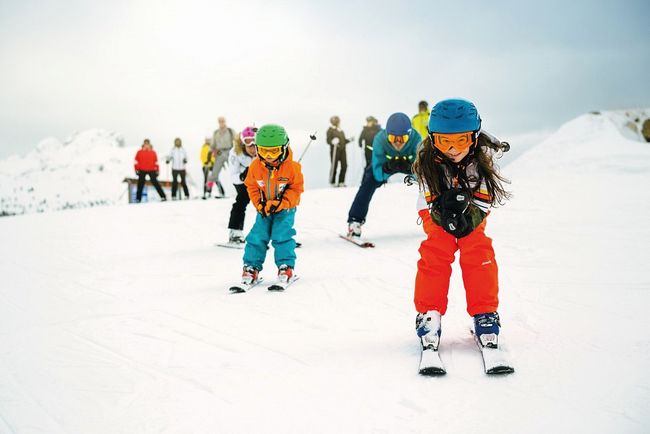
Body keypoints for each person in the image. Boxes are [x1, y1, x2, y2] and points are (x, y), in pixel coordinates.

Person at [411, 98, 511, 354]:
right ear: (434, 139)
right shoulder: (426, 159)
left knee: (478, 250)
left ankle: (485, 313)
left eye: (461, 140)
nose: (453, 149)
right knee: (436, 249)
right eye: (445, 141)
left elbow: (486, 198)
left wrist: (468, 221)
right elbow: (429, 199)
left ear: (474, 138)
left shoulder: (483, 158)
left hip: (473, 209)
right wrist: (445, 219)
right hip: (435, 210)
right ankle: (429, 313)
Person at [239, 124, 304, 286]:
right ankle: (251, 267)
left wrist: (282, 203)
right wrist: (259, 204)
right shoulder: (255, 166)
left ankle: (285, 267)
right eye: (263, 150)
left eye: (273, 151)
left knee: (281, 235)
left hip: (285, 210)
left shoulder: (292, 168)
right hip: (265, 209)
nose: (268, 156)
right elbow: (251, 186)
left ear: (283, 148)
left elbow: (296, 189)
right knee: (256, 236)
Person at [346, 112, 421, 238]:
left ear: (410, 135)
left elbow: (422, 171)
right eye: (393, 138)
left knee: (432, 180)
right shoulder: (379, 139)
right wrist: (386, 169)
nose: (397, 143)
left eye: (402, 138)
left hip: (409, 165)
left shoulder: (417, 139)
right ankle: (355, 221)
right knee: (367, 183)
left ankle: (441, 218)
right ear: (387, 135)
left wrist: (412, 169)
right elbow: (377, 173)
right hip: (385, 165)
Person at [226, 126, 257, 244]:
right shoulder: (235, 153)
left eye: (255, 145)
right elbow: (233, 175)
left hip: (259, 178)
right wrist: (243, 176)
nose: (253, 149)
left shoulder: (262, 149)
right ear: (243, 144)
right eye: (249, 145)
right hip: (241, 180)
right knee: (242, 200)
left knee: (269, 202)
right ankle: (235, 232)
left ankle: (279, 233)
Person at [208, 116, 236, 197]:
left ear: (225, 121)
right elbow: (212, 145)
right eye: (220, 121)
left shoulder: (230, 131)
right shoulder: (216, 133)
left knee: (235, 171)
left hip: (230, 152)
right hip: (219, 153)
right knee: (214, 173)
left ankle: (242, 190)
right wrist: (212, 152)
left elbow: (237, 140)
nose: (221, 122)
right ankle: (208, 191)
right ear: (218, 122)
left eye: (223, 121)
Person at [326, 116, 353, 187]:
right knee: (334, 166)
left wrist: (349, 140)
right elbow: (328, 140)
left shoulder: (341, 131)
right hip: (335, 151)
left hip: (342, 150)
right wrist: (332, 141)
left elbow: (343, 141)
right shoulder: (330, 130)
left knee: (344, 165)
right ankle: (332, 182)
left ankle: (341, 181)